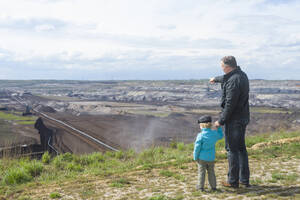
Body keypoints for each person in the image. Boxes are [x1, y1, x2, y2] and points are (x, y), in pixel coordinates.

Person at [210, 56, 250, 188]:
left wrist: (221, 121)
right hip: (243, 117)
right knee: (241, 149)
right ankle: (244, 179)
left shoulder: (233, 81)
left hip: (234, 119)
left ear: (227, 66)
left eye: (222, 66)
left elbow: (230, 104)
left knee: (231, 150)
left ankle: (233, 181)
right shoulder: (241, 75)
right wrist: (215, 79)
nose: (221, 68)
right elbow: (226, 77)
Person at [193, 115, 223, 191]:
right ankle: (213, 187)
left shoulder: (200, 135)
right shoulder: (214, 134)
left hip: (201, 158)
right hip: (211, 158)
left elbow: (197, 148)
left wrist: (195, 157)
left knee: (201, 173)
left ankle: (200, 187)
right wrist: (218, 128)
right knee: (211, 172)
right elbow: (221, 136)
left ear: (202, 126)